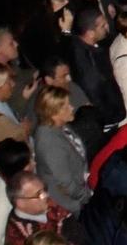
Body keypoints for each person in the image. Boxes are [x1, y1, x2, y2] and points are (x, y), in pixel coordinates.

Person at [33, 86, 92, 214]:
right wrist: (88, 198)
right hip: (74, 203)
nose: (71, 107)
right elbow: (67, 185)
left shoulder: (59, 126)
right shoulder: (49, 143)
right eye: (66, 106)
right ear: (53, 113)